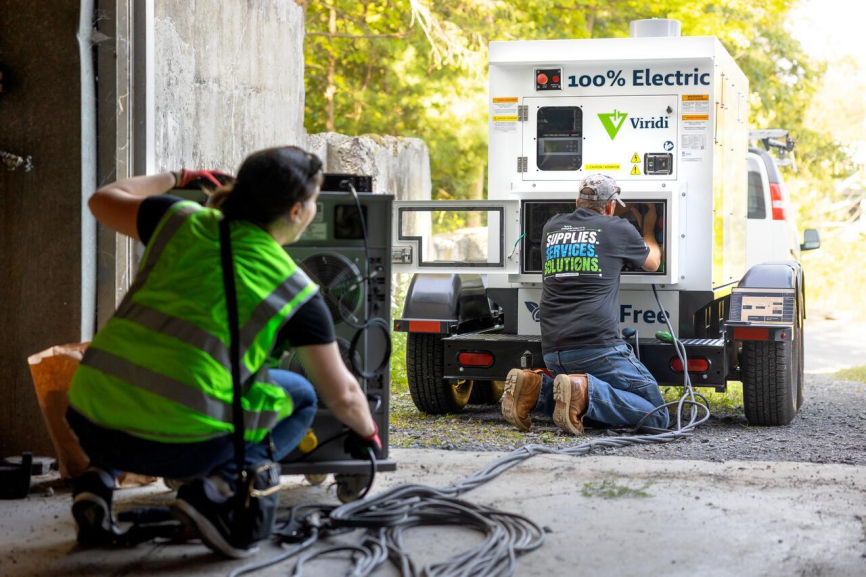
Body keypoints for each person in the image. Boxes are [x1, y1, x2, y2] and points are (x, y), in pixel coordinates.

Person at [66, 146, 381, 558]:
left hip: (89, 419)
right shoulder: (294, 289)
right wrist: (367, 434)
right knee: (300, 395)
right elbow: (342, 395)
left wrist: (179, 177)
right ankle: (215, 490)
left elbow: (102, 199)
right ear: (296, 212)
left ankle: (98, 480)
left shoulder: (178, 220)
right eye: (313, 202)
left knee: (139, 388)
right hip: (182, 447)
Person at [500, 174, 669, 436]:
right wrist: (646, 226)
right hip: (598, 348)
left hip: (554, 351)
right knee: (657, 415)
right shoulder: (619, 228)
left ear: (577, 200)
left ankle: (536, 388)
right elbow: (653, 262)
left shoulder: (551, 227)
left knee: (584, 406)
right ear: (612, 206)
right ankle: (584, 389)